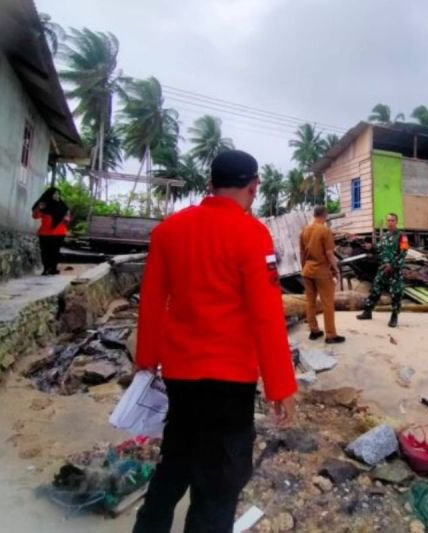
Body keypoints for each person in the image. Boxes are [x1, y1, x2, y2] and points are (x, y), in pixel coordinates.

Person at [132, 150, 297, 533]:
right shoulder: (253, 235)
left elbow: (152, 303)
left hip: (181, 373)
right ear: (253, 187)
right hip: (230, 380)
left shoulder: (168, 230)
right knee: (220, 481)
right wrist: (281, 386)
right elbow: (267, 316)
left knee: (175, 461)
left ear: (210, 184)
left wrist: (146, 361)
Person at [299, 205, 345, 344]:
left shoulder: (304, 230)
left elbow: (301, 253)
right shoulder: (325, 230)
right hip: (321, 272)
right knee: (327, 303)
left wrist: (304, 268)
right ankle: (330, 335)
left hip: (307, 270)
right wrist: (336, 270)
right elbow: (329, 253)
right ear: (325, 214)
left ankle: (314, 331)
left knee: (310, 301)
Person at [356, 213, 408, 327]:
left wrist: (392, 265)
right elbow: (379, 248)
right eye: (388, 220)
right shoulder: (384, 236)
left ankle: (394, 316)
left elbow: (403, 254)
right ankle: (368, 312)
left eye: (392, 220)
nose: (390, 222)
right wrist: (371, 247)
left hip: (395, 270)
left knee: (396, 293)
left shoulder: (402, 236)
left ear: (396, 222)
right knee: (375, 289)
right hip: (383, 268)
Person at [31, 187, 70, 275]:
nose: (57, 196)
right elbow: (35, 216)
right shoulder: (44, 205)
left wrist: (65, 218)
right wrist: (39, 208)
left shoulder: (63, 206)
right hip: (45, 233)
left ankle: (53, 268)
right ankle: (46, 268)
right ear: (49, 195)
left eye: (58, 194)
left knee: (55, 251)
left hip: (59, 233)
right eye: (55, 194)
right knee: (45, 252)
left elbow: (67, 218)